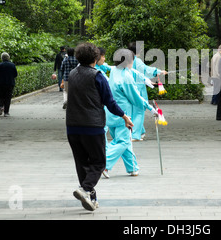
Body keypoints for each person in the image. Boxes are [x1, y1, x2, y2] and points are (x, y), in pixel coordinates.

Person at [66, 42, 133, 211]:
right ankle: (86, 189)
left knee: (82, 163)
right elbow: (109, 102)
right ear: (95, 58)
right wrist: (124, 116)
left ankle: (90, 196)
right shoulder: (98, 76)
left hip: (72, 126)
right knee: (99, 161)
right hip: (92, 125)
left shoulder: (72, 74)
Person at [103, 49, 157, 178]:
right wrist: (150, 108)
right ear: (127, 61)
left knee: (125, 141)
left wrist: (144, 79)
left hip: (111, 113)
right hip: (123, 115)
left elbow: (132, 71)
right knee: (122, 141)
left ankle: (132, 168)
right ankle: (104, 164)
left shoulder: (115, 71)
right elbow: (135, 97)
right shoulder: (126, 77)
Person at [128, 42, 167, 141]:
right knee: (139, 111)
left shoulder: (127, 60)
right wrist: (159, 71)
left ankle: (140, 132)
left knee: (134, 111)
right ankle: (136, 134)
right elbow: (146, 70)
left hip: (130, 88)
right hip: (138, 88)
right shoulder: (137, 61)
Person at [0, 52, 18, 117]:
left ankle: (1, 106)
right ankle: (6, 112)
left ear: (2, 58)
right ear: (8, 57)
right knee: (8, 97)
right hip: (10, 83)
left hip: (1, 83)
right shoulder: (12, 65)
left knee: (0, 96)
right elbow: (15, 74)